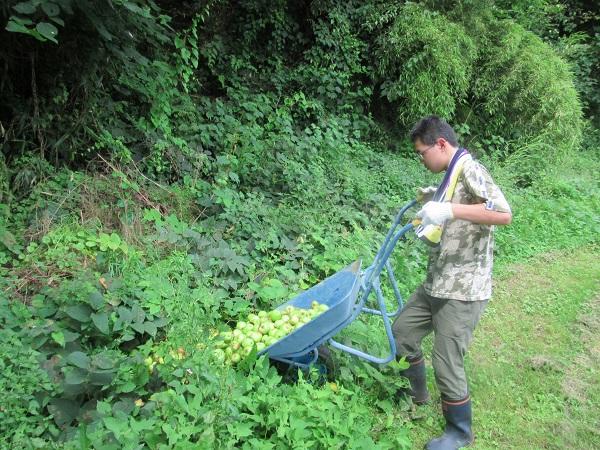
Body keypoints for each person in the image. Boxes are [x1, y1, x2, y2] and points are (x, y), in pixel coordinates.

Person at [392, 116, 512, 450]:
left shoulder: (471, 168)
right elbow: (460, 200)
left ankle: (459, 432)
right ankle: (416, 396)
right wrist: (435, 197)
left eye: (421, 152)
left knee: (446, 359)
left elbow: (503, 213)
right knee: (403, 331)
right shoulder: (451, 173)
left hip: (464, 289)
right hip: (438, 281)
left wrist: (449, 211)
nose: (420, 159)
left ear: (441, 144)